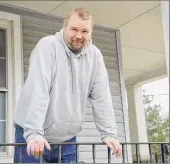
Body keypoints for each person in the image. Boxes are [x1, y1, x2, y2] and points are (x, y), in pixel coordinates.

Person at [14, 7, 122, 163]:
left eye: (85, 31)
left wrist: (109, 134)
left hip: (67, 140)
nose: (78, 36)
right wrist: (34, 133)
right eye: (74, 29)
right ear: (64, 27)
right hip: (33, 136)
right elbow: (38, 90)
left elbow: (102, 98)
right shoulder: (47, 46)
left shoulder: (95, 56)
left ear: (91, 33)